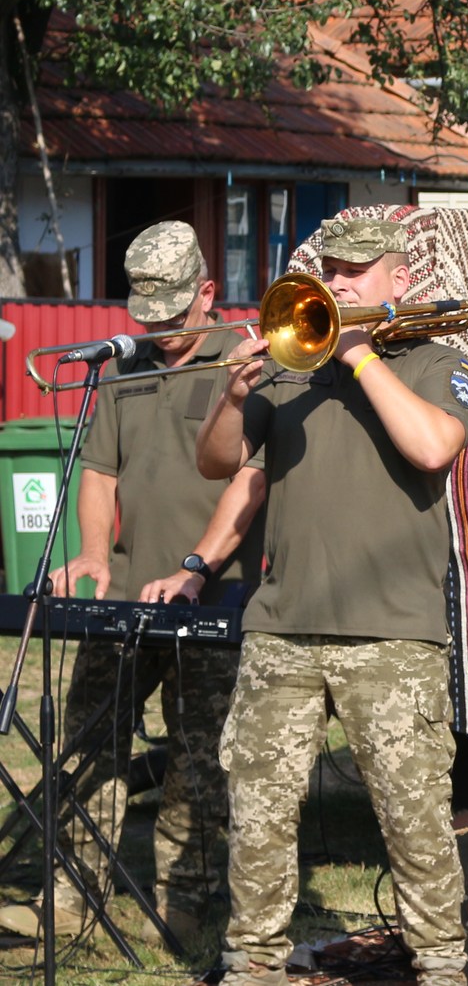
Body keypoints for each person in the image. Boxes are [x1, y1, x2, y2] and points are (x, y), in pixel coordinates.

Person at [195, 218, 468, 986]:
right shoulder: (291, 361)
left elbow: (432, 447)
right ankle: (252, 964)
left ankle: (440, 966)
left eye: (359, 270)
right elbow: (217, 461)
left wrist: (357, 355)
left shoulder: (437, 360)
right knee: (258, 812)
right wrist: (233, 393)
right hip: (280, 627)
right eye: (334, 269)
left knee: (413, 816)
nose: (341, 282)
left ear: (399, 280)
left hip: (392, 633)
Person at [0, 223, 265, 951]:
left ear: (207, 291)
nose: (159, 332)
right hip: (124, 600)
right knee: (88, 743)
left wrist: (195, 567)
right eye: (147, 318)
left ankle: (184, 901)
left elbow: (250, 480)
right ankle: (71, 898)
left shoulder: (244, 360)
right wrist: (93, 553)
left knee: (198, 760)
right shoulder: (124, 365)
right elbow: (99, 470)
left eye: (172, 316)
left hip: (216, 596)